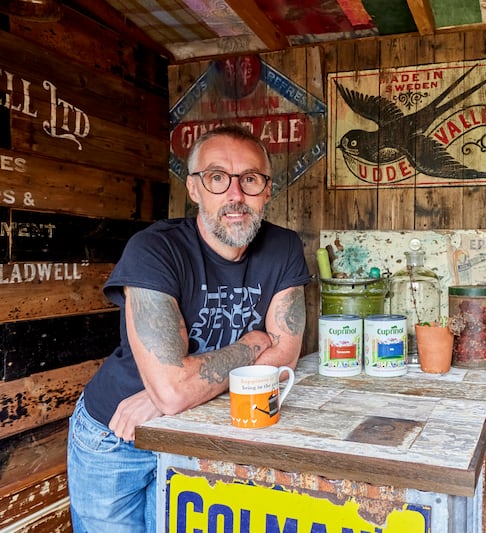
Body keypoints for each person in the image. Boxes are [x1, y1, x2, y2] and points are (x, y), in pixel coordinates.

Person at [67, 124, 310, 533]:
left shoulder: (284, 246)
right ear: (194, 189)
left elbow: (283, 359)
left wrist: (169, 394)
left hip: (204, 429)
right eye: (218, 178)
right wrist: (251, 346)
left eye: (250, 179)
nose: (235, 195)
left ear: (267, 190)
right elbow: (175, 388)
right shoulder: (154, 249)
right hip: (118, 436)